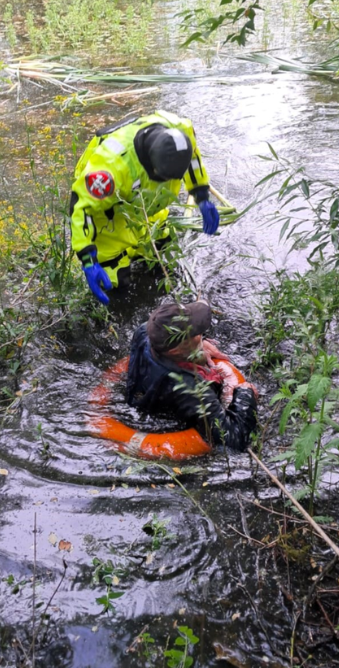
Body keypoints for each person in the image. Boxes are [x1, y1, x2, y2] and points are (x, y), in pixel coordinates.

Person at [69, 110, 223, 305]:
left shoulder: (181, 131)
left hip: (148, 205)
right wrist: (87, 259)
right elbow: (81, 209)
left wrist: (201, 195)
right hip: (109, 215)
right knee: (116, 284)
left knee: (162, 255)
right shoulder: (110, 168)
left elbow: (192, 159)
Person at [125, 301, 257, 452]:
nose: (200, 333)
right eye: (196, 333)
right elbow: (234, 438)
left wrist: (198, 345)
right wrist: (245, 394)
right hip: (163, 419)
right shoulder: (192, 389)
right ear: (176, 351)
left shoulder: (143, 332)